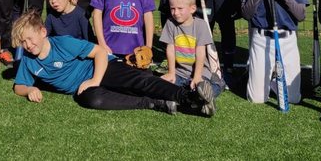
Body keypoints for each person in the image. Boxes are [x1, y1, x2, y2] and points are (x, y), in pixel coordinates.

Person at [11, 12, 214, 116]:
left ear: (43, 32)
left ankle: (189, 97)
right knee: (92, 101)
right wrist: (29, 89)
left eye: (30, 39)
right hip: (83, 89)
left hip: (103, 68)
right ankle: (155, 104)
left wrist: (94, 79)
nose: (28, 45)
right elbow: (18, 85)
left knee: (138, 82)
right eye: (24, 42)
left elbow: (99, 51)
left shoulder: (63, 42)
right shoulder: (29, 60)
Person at [238, 0, 307, 105]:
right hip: (261, 39)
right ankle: (262, 78)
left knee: (292, 99)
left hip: (287, 39)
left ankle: (276, 80)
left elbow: (301, 15)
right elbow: (246, 14)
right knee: (256, 99)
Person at [159, 0, 225, 116]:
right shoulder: (170, 24)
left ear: (192, 9)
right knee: (161, 84)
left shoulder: (200, 25)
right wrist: (171, 73)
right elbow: (170, 49)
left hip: (200, 72)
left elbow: (200, 52)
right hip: (179, 72)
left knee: (210, 86)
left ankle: (205, 95)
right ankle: (193, 99)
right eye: (172, 8)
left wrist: (197, 76)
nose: (175, 12)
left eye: (180, 9)